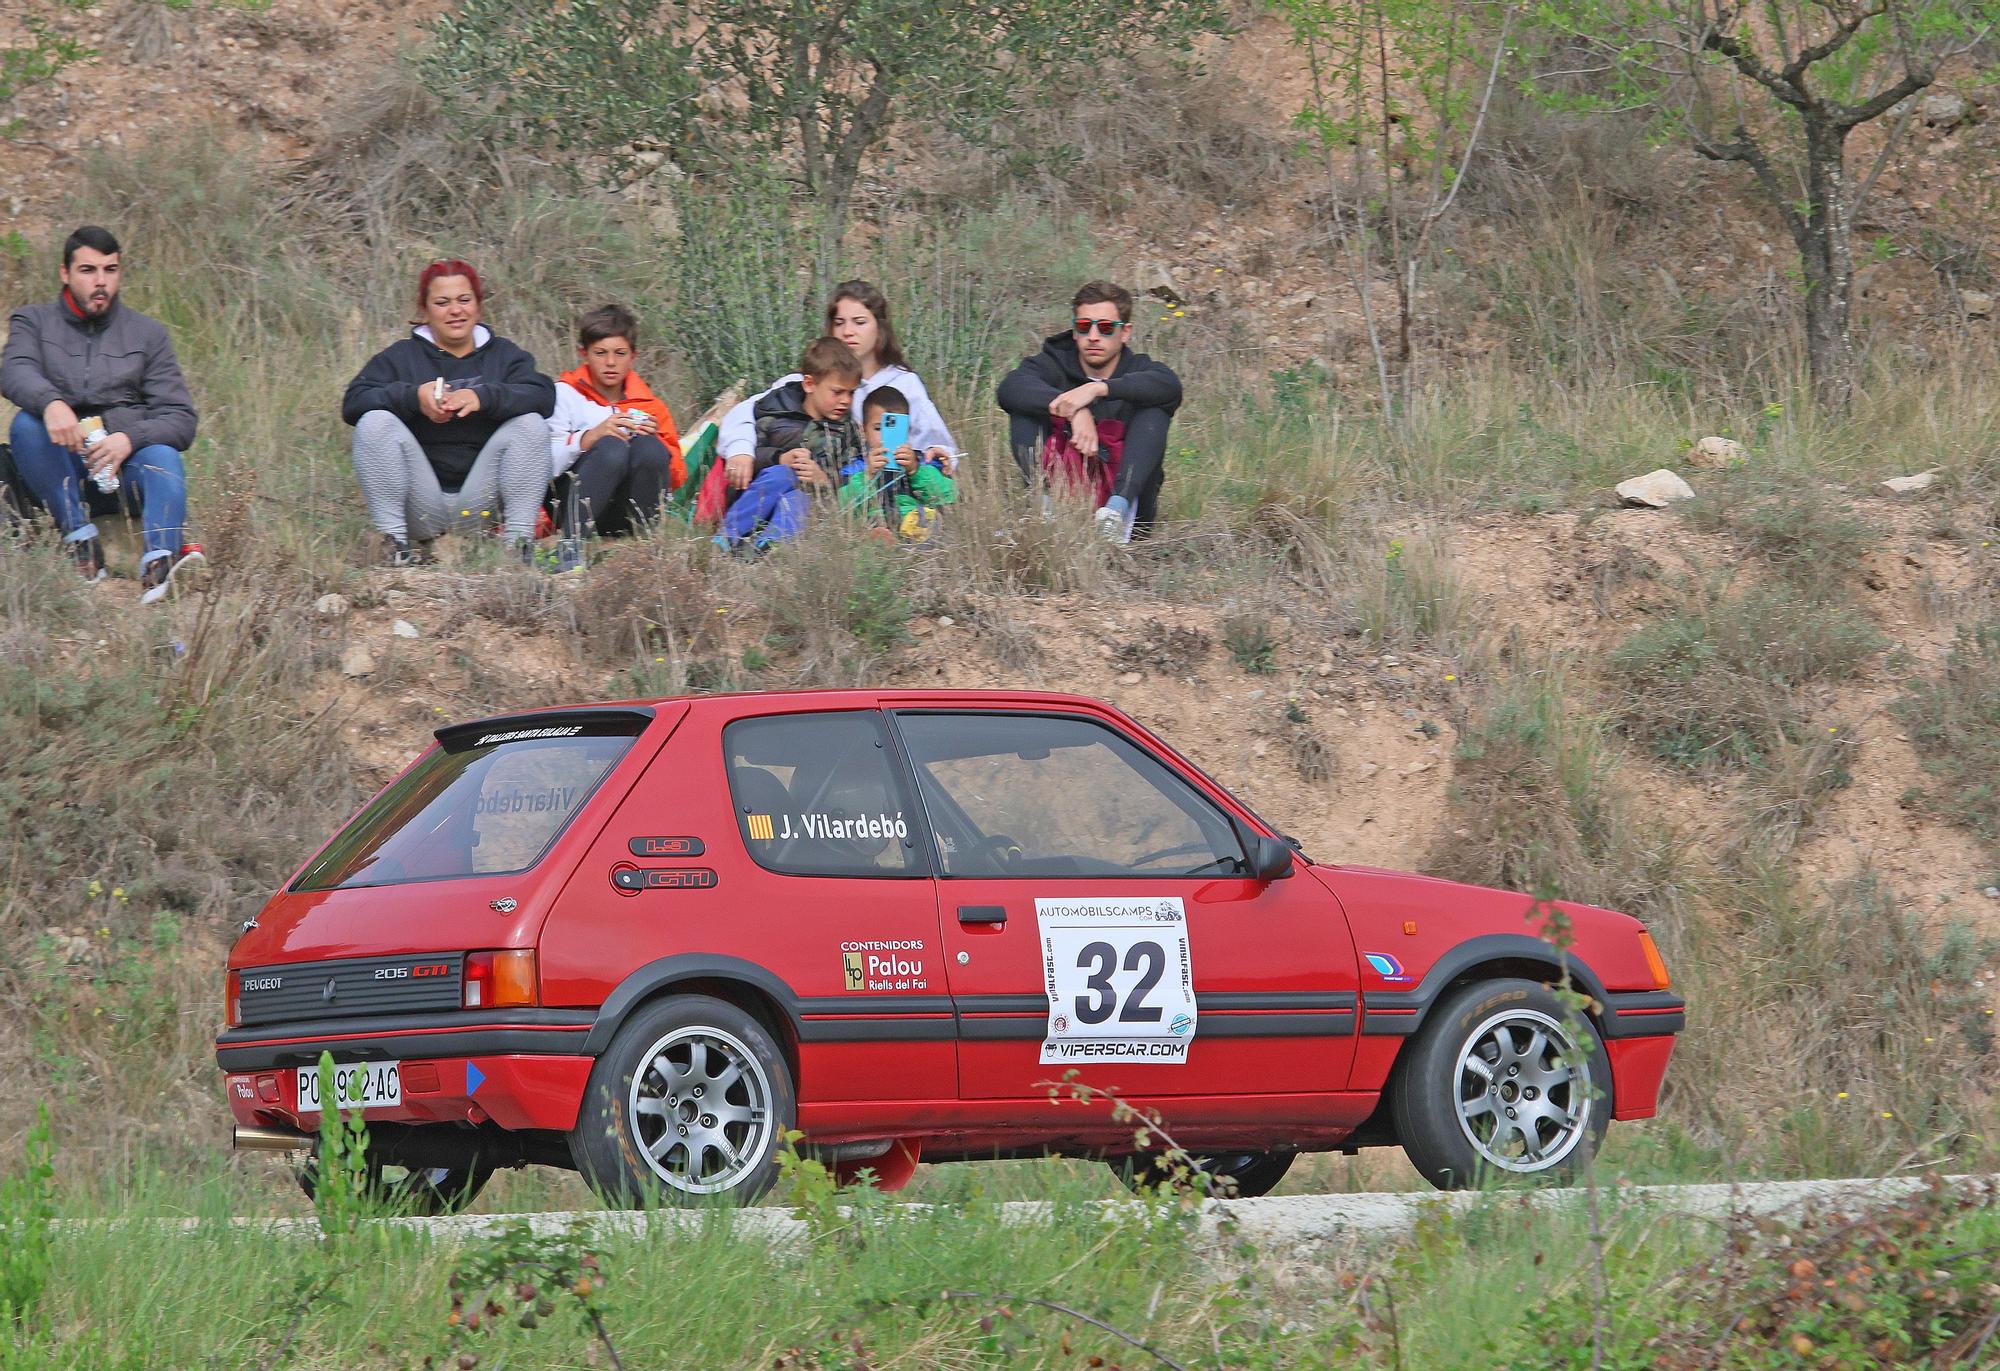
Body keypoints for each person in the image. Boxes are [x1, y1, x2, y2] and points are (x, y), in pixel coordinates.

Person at [1, 224, 203, 602]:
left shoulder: (148, 334)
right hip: (57, 472)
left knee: (162, 455)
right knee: (27, 424)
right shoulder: (33, 321)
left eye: (110, 270)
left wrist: (129, 439)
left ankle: (161, 563)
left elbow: (181, 417)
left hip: (123, 473)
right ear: (65, 273)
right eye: (88, 270)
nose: (101, 282)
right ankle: (81, 543)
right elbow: (14, 371)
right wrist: (52, 403)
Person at [341, 259, 555, 565]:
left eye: (464, 300)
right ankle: (393, 546)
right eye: (442, 303)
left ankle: (517, 549)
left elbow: (543, 395)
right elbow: (354, 402)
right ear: (425, 311)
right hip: (421, 504)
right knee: (374, 422)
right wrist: (415, 397)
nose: (455, 311)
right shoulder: (401, 357)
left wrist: (483, 398)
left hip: (481, 505)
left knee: (531, 423)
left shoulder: (504, 355)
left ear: (479, 307)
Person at [718, 281, 957, 492]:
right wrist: (741, 451)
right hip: (815, 491)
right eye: (839, 322)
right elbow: (745, 414)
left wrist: (939, 454)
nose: (848, 332)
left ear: (880, 328)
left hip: (886, 491)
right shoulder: (805, 382)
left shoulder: (904, 383)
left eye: (860, 322)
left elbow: (936, 444)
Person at [996, 279, 1183, 544]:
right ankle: (1044, 511)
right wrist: (1073, 410)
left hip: (1124, 505)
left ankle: (1115, 513)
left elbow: (1170, 387)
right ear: (1074, 331)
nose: (1093, 336)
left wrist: (1097, 390)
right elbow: (1010, 388)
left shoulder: (1139, 369)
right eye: (1084, 326)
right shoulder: (1054, 363)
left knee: (1155, 411)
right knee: (1024, 409)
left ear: (1125, 332)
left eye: (1106, 328)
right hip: (1064, 493)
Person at [547, 304, 685, 539]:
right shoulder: (563, 394)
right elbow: (543, 466)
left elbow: (677, 478)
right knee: (611, 446)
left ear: (633, 356)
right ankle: (570, 546)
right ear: (584, 354)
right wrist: (589, 438)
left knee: (650, 448)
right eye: (600, 353)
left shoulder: (652, 406)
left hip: (625, 509)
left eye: (620, 354)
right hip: (571, 502)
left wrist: (657, 445)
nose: (610, 363)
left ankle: (644, 544)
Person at [714, 338, 863, 550]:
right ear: (809, 384)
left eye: (852, 393)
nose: (846, 401)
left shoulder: (847, 431)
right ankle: (727, 536)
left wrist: (823, 478)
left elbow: (853, 474)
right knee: (783, 474)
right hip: (754, 498)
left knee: (798, 498)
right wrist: (779, 458)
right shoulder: (775, 411)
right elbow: (750, 453)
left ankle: (768, 548)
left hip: (808, 507)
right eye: (838, 392)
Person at [840, 385, 956, 542]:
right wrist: (867, 476)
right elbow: (844, 505)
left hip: (915, 524)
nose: (883, 437)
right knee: (869, 524)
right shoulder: (856, 467)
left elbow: (948, 496)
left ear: (907, 430)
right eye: (878, 428)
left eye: (894, 429)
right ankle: (881, 541)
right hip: (875, 524)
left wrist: (915, 471)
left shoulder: (920, 461)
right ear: (863, 431)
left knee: (927, 518)